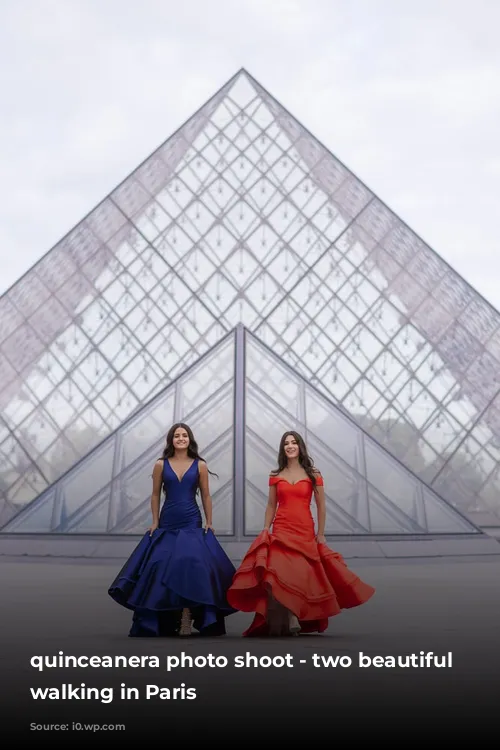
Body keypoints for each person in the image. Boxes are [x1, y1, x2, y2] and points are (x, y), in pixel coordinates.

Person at [227, 431, 375, 637]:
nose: (290, 446)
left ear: (300, 446)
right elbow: (271, 505)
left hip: (304, 528)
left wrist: (321, 534)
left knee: (298, 574)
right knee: (279, 572)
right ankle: (291, 616)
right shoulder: (275, 476)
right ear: (282, 448)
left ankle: (293, 613)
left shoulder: (314, 474)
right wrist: (265, 528)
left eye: (294, 442)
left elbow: (322, 506)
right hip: (281, 528)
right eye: (286, 443)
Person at [108, 423, 237, 637]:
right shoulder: (160, 464)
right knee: (161, 566)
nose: (181, 438)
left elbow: (205, 495)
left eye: (184, 435)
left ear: (190, 439)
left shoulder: (200, 465)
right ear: (171, 440)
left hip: (191, 521)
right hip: (168, 520)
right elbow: (155, 495)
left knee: (192, 565)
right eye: (176, 435)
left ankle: (187, 614)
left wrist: (209, 521)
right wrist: (155, 522)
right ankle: (170, 617)